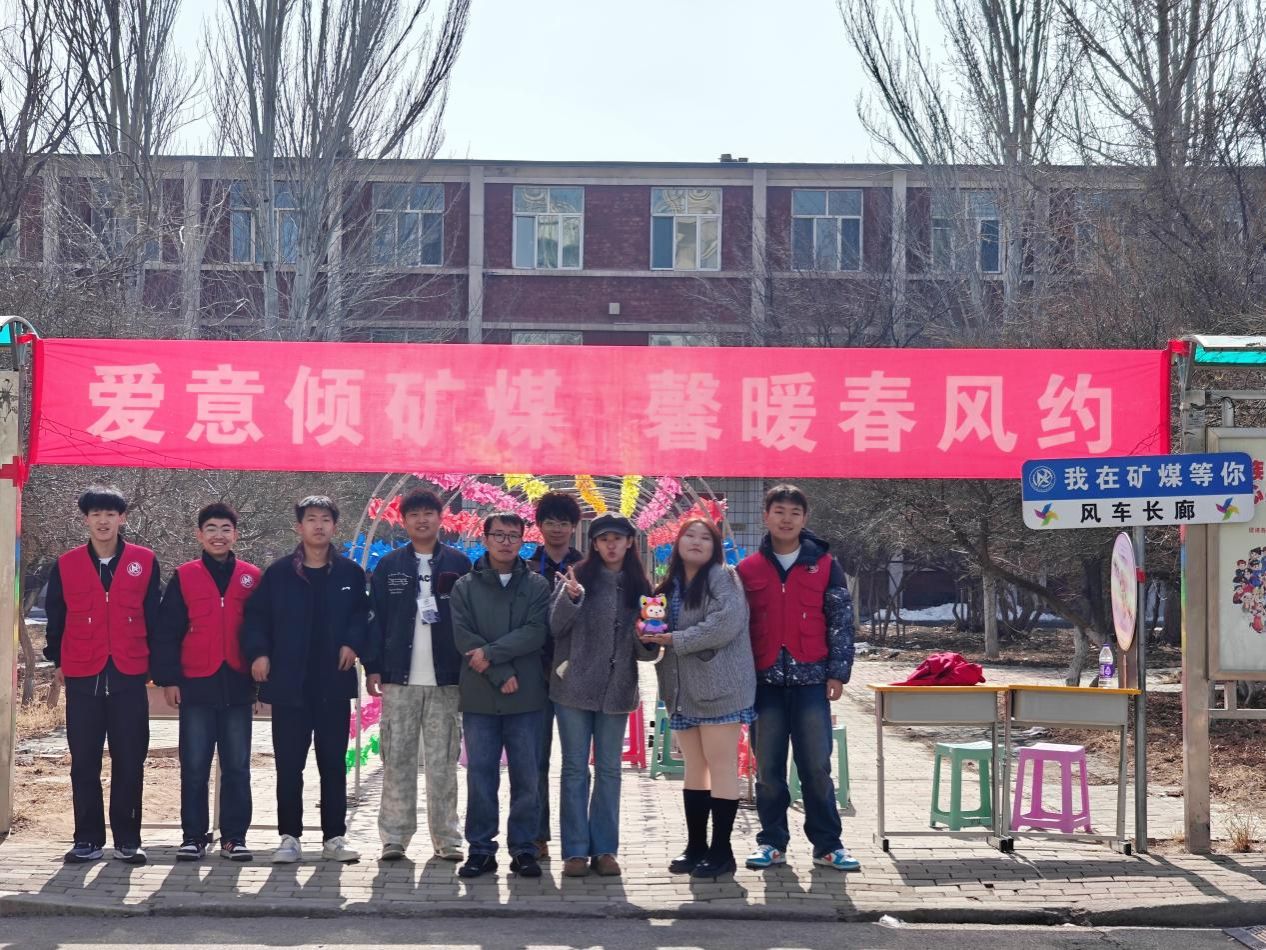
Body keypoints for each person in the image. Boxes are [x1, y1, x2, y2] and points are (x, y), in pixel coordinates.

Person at [737, 484, 859, 872]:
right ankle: (772, 843)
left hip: (811, 681)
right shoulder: (748, 569)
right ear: (766, 516)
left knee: (816, 768)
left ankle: (828, 845)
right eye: (779, 511)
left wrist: (838, 673)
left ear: (805, 519)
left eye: (794, 512)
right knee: (768, 771)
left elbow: (841, 621)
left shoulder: (824, 565)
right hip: (764, 684)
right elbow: (738, 628)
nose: (786, 519)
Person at [241, 495, 368, 864]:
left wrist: (352, 643)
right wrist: (259, 653)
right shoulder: (279, 573)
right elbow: (256, 618)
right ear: (299, 526)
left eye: (325, 519)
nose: (318, 525)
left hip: (333, 684)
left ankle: (335, 837)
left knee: (333, 764)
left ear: (334, 526)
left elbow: (363, 615)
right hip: (289, 685)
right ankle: (289, 837)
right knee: (289, 765)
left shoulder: (349, 573)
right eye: (311, 519)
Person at [44, 486, 161, 865]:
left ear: (122, 518)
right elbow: (56, 617)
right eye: (96, 514)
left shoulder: (144, 560)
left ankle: (128, 840)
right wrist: (57, 660)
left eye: (111, 513)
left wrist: (156, 667)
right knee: (84, 762)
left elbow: (154, 616)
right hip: (82, 673)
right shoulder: (67, 564)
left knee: (130, 760)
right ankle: (87, 839)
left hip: (129, 674)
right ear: (86, 519)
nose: (103, 521)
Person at [641, 517, 754, 880]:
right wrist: (647, 635)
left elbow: (726, 623)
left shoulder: (724, 577)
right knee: (694, 766)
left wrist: (677, 640)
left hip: (721, 686)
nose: (696, 541)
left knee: (721, 765)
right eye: (689, 535)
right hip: (681, 689)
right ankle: (696, 846)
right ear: (677, 543)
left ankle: (722, 851)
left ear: (715, 547)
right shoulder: (668, 584)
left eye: (705, 537)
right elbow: (656, 631)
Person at [365, 487, 472, 862]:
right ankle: (394, 837)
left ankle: (447, 839)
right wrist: (373, 666)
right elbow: (375, 619)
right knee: (397, 761)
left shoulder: (459, 564)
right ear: (404, 521)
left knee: (444, 765)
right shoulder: (389, 565)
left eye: (429, 513)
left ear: (441, 519)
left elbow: (470, 619)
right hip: (399, 679)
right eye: (414, 515)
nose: (422, 520)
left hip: (447, 680)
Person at [548, 514, 658, 878]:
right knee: (574, 769)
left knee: (610, 770)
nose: (611, 544)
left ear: (629, 543)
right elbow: (554, 626)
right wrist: (571, 599)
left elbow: (648, 653)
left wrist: (647, 637)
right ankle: (575, 851)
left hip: (617, 690)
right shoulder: (576, 579)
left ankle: (605, 849)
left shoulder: (641, 586)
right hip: (573, 688)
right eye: (604, 538)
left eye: (618, 538)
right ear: (594, 544)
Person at [151, 503, 261, 862]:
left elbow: (262, 629)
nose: (218, 535)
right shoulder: (185, 576)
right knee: (195, 765)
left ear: (235, 534)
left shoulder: (251, 576)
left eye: (225, 528)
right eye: (211, 528)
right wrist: (168, 679)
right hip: (196, 684)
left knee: (237, 767)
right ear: (199, 534)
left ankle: (234, 837)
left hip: (238, 684)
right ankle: (193, 837)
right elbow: (167, 632)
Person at [449, 512, 551, 879]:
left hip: (526, 696)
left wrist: (491, 655)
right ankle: (480, 849)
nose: (506, 542)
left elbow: (536, 632)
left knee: (526, 776)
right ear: (485, 539)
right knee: (480, 775)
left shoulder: (537, 585)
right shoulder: (464, 586)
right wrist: (499, 672)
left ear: (523, 540)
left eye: (513, 536)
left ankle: (523, 848)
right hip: (480, 695)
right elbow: (463, 636)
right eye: (499, 535)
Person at [527, 490, 583, 859]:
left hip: (577, 673)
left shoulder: (588, 566)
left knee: (577, 763)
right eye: (550, 521)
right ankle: (537, 835)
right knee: (535, 759)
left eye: (564, 522)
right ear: (539, 525)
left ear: (574, 526)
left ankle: (579, 842)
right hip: (535, 674)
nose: (557, 528)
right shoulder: (526, 567)